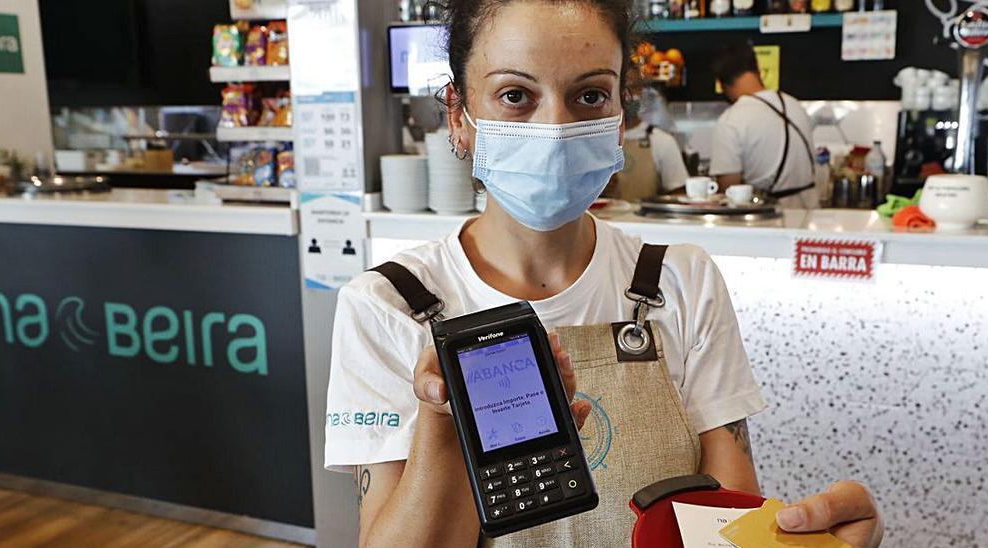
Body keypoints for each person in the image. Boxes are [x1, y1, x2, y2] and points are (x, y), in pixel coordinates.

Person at [324, 1, 883, 546]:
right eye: (515, 96)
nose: (555, 129)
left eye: (589, 96)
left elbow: (726, 530)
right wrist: (445, 424)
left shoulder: (681, 281)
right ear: (458, 116)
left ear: (621, 116)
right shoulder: (387, 306)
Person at [709, 43, 820, 209]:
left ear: (721, 84)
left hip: (767, 220)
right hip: (809, 217)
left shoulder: (731, 120)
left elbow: (728, 190)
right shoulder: (794, 104)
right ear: (758, 70)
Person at [606, 100, 688, 200]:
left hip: (647, 215)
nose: (626, 97)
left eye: (632, 89)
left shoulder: (662, 141)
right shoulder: (595, 142)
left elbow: (678, 194)